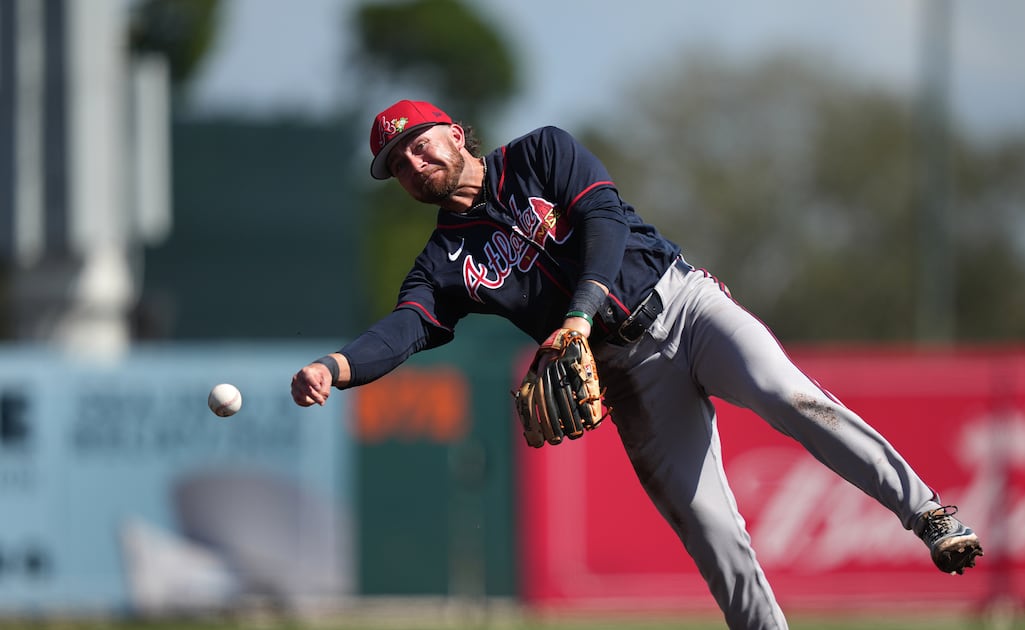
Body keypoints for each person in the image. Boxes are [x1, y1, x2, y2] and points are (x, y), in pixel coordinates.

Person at [290, 99, 983, 629]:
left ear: (453, 132)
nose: (413, 165)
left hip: (684, 305)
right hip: (627, 374)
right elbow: (408, 326)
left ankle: (927, 513)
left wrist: (578, 313)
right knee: (708, 527)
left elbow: (606, 220)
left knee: (786, 394)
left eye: (418, 144)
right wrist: (335, 366)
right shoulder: (443, 261)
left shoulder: (541, 153)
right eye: (397, 165)